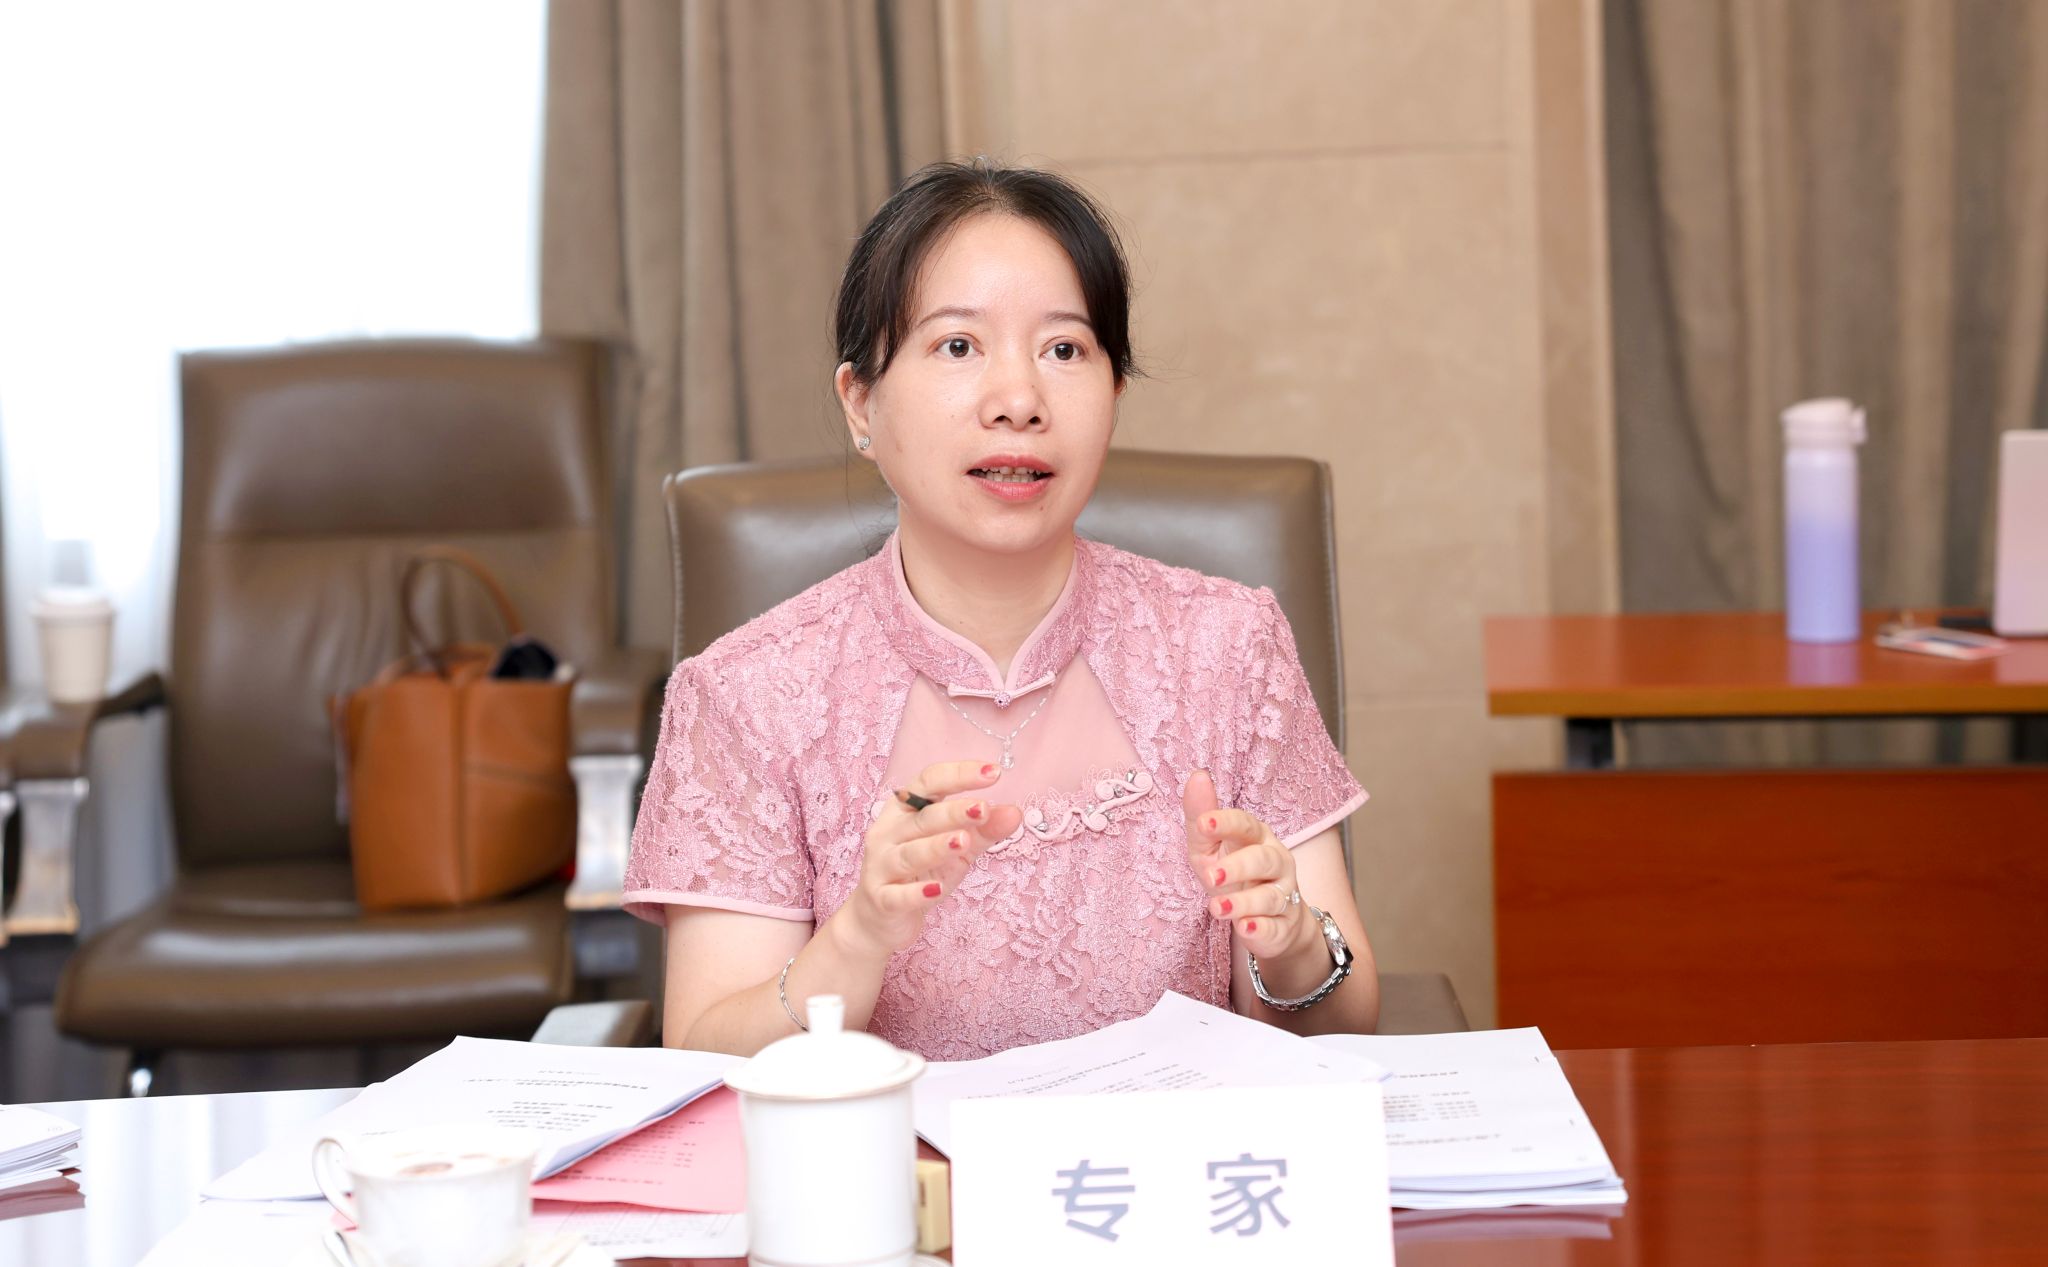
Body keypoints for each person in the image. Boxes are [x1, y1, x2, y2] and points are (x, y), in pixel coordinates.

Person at [624, 159, 1377, 1060]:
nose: (1019, 401)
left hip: (1167, 1148)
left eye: (1065, 350)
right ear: (860, 404)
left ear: (1113, 397)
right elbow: (706, 1057)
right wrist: (857, 937)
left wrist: (1292, 945)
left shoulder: (1229, 645)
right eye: (957, 346)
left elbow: (1342, 1026)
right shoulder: (745, 695)